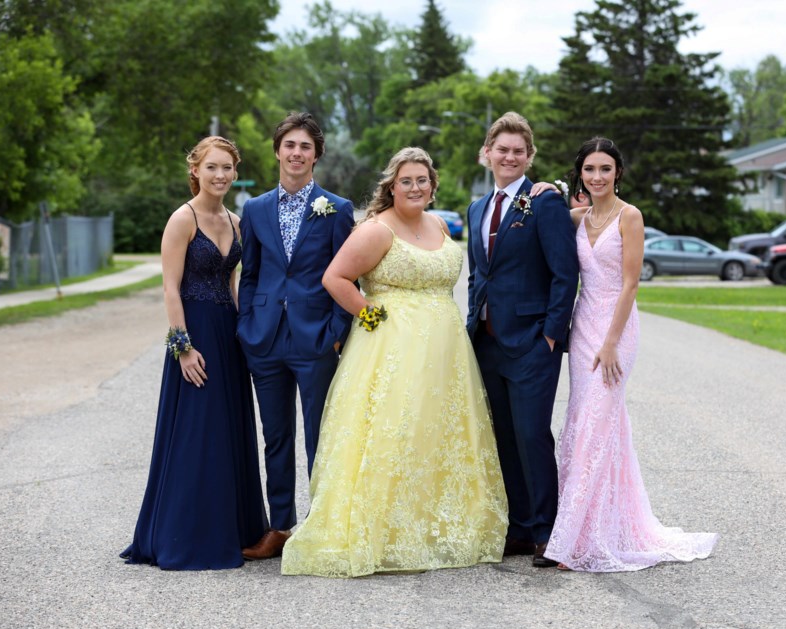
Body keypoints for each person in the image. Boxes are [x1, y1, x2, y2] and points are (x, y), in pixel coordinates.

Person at [280, 147, 508, 578]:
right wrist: (368, 314)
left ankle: (436, 523)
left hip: (445, 352)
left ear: (432, 184)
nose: (416, 187)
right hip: (393, 348)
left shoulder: (439, 224)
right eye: (407, 180)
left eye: (423, 179)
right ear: (392, 185)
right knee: (396, 430)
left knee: (437, 433)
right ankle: (385, 529)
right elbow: (335, 278)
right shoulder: (376, 231)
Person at [543, 137, 718, 571]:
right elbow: (544, 218)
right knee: (587, 421)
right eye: (589, 169)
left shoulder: (630, 216)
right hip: (583, 323)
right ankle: (597, 528)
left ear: (618, 172)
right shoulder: (578, 217)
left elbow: (630, 284)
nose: (597, 177)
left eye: (605, 169)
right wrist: (543, 189)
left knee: (597, 425)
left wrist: (610, 342)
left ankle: (573, 542)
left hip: (615, 329)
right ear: (579, 174)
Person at [121, 136, 268, 570]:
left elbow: (234, 281)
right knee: (196, 432)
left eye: (227, 168)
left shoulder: (238, 221)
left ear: (235, 173)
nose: (220, 175)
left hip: (228, 334)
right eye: (212, 168)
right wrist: (183, 349)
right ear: (196, 171)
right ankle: (183, 535)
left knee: (229, 430)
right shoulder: (181, 220)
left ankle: (236, 529)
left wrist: (248, 329)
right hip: (194, 334)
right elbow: (169, 289)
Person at [236, 112, 355, 560]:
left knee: (319, 434)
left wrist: (336, 333)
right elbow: (250, 275)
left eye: (306, 146)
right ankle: (280, 527)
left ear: (316, 155)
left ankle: (320, 525)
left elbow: (350, 277)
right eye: (290, 145)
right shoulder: (256, 208)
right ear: (278, 151)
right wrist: (247, 325)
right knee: (276, 436)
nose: (297, 153)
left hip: (315, 340)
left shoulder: (337, 209)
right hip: (264, 339)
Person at [465, 112, 579, 568]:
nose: (509, 157)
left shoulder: (544, 202)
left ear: (529, 157)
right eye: (502, 149)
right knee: (504, 438)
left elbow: (564, 273)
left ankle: (548, 534)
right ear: (487, 153)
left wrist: (550, 335)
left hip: (533, 343)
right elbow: (480, 274)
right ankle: (518, 529)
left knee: (532, 435)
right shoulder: (477, 208)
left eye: (518, 151)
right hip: (487, 342)